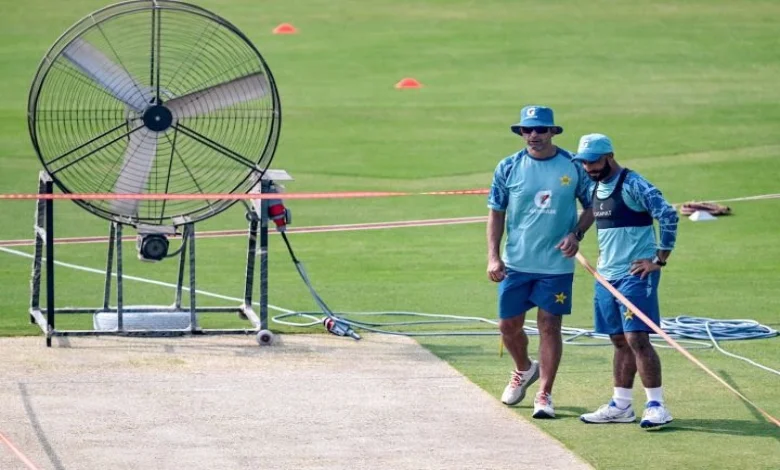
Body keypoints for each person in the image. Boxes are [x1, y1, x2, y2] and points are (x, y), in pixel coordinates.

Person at [487, 105, 594, 419]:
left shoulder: (573, 165)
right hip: (516, 262)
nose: (534, 135)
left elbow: (592, 206)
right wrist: (493, 256)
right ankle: (523, 368)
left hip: (556, 265)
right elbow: (496, 212)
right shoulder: (508, 167)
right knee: (508, 326)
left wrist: (576, 234)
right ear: (522, 133)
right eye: (527, 130)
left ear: (553, 132)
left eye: (540, 130)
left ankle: (544, 394)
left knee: (550, 326)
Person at [572, 133, 679, 429]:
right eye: (585, 163)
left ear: (609, 155)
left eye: (594, 161)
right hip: (606, 277)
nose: (589, 167)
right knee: (618, 340)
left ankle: (656, 405)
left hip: (635, 275)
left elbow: (668, 214)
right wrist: (575, 234)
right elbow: (593, 211)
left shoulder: (633, 183)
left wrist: (658, 260)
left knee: (636, 338)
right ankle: (621, 405)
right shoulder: (595, 185)